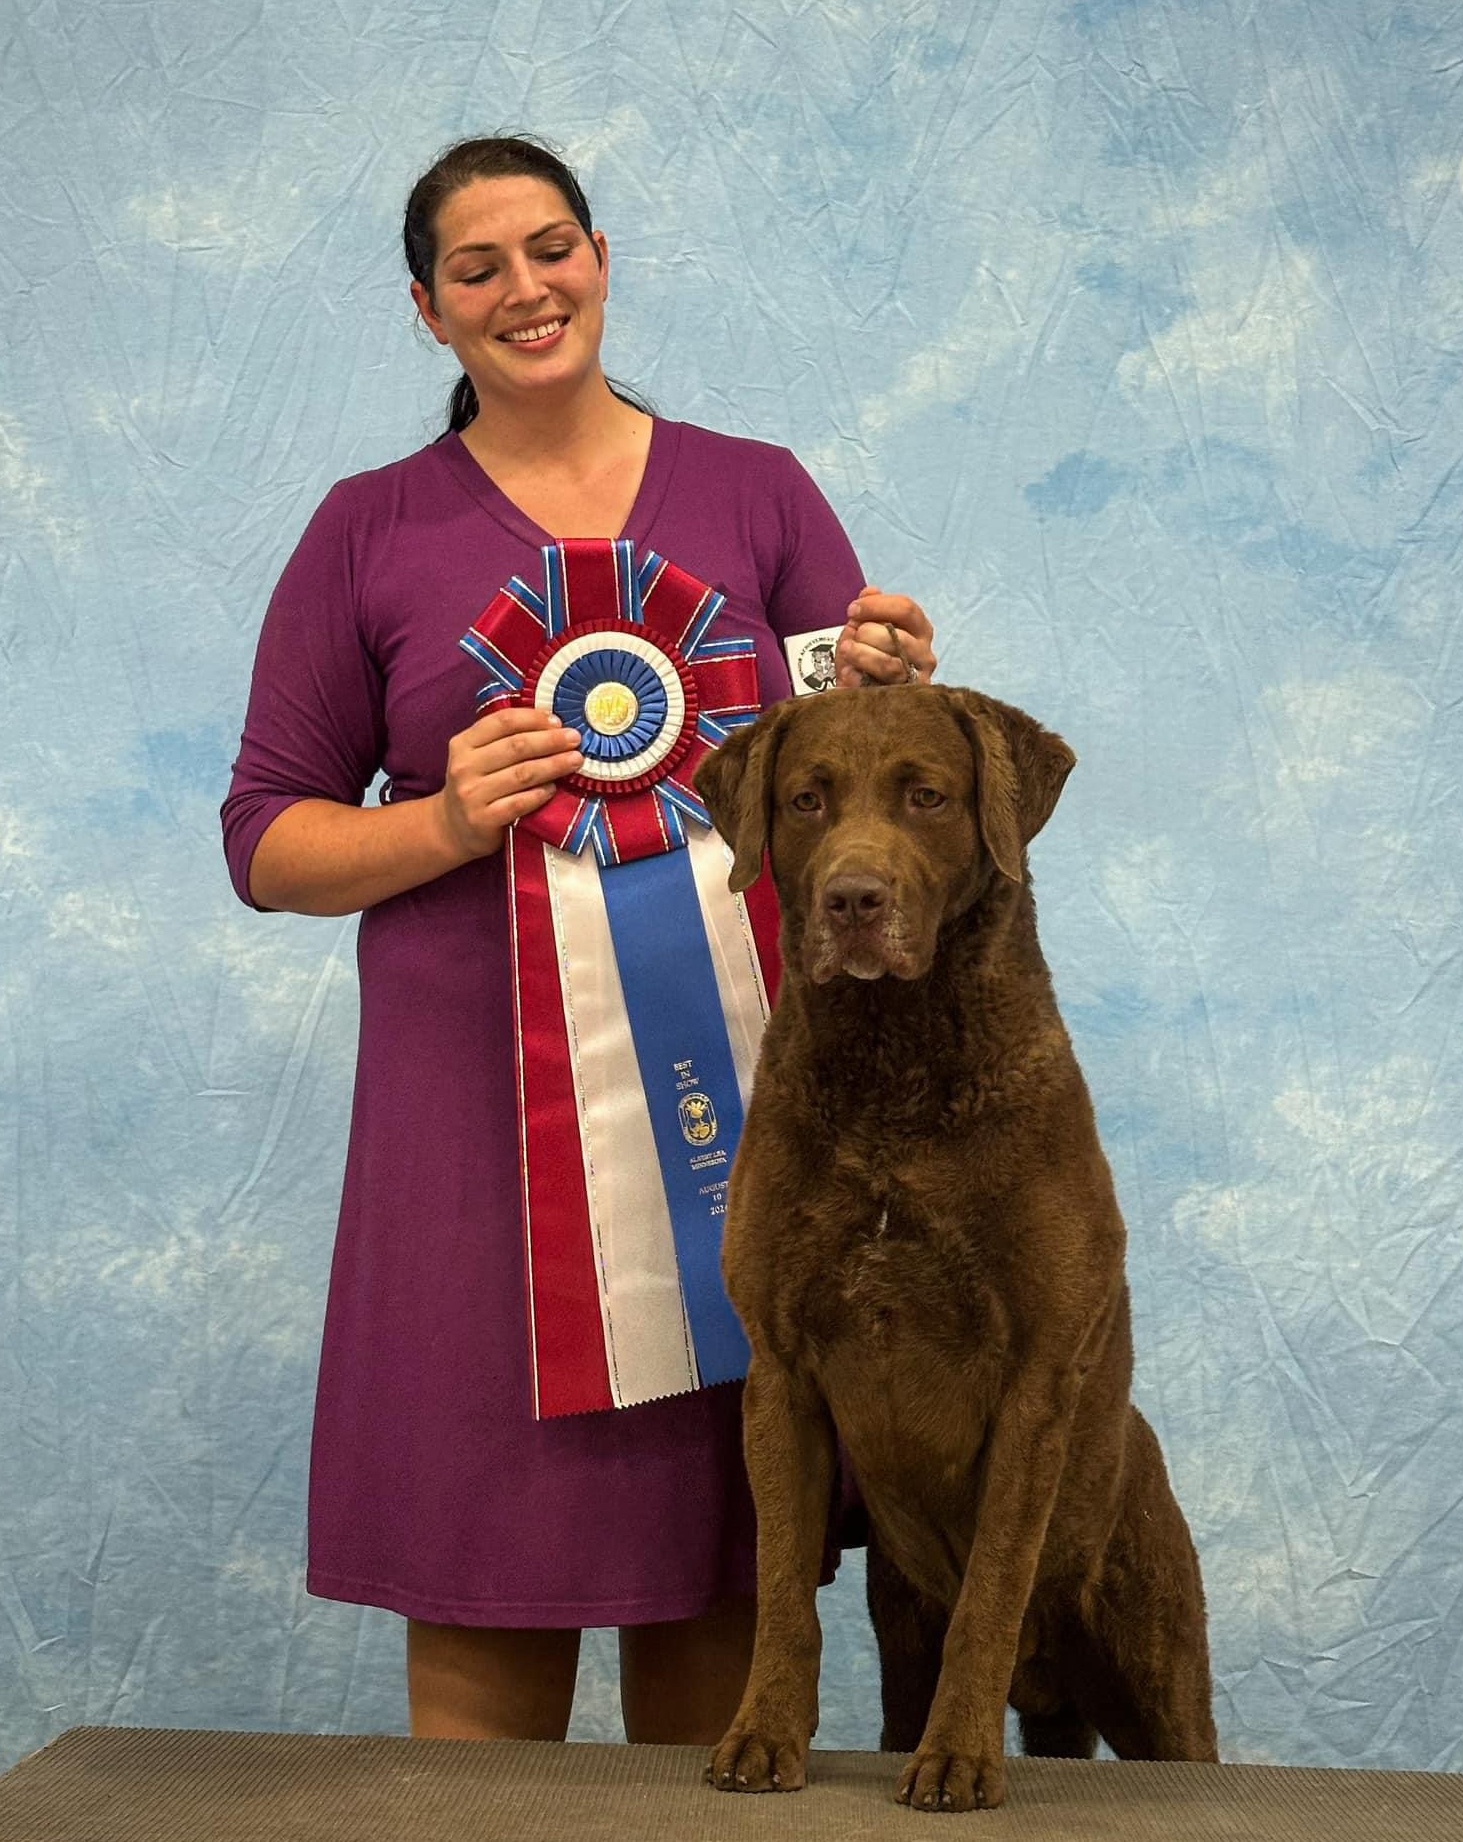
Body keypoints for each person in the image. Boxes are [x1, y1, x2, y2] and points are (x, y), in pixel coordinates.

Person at [221, 134, 937, 1749]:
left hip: (731, 1149)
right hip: (468, 1165)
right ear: (428, 310)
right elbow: (264, 839)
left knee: (719, 1608)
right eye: (476, 269)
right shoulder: (366, 529)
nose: (525, 289)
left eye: (551, 249)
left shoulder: (759, 490)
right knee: (482, 1620)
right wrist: (442, 821)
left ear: (603, 260)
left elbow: (854, 788)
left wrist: (889, 686)